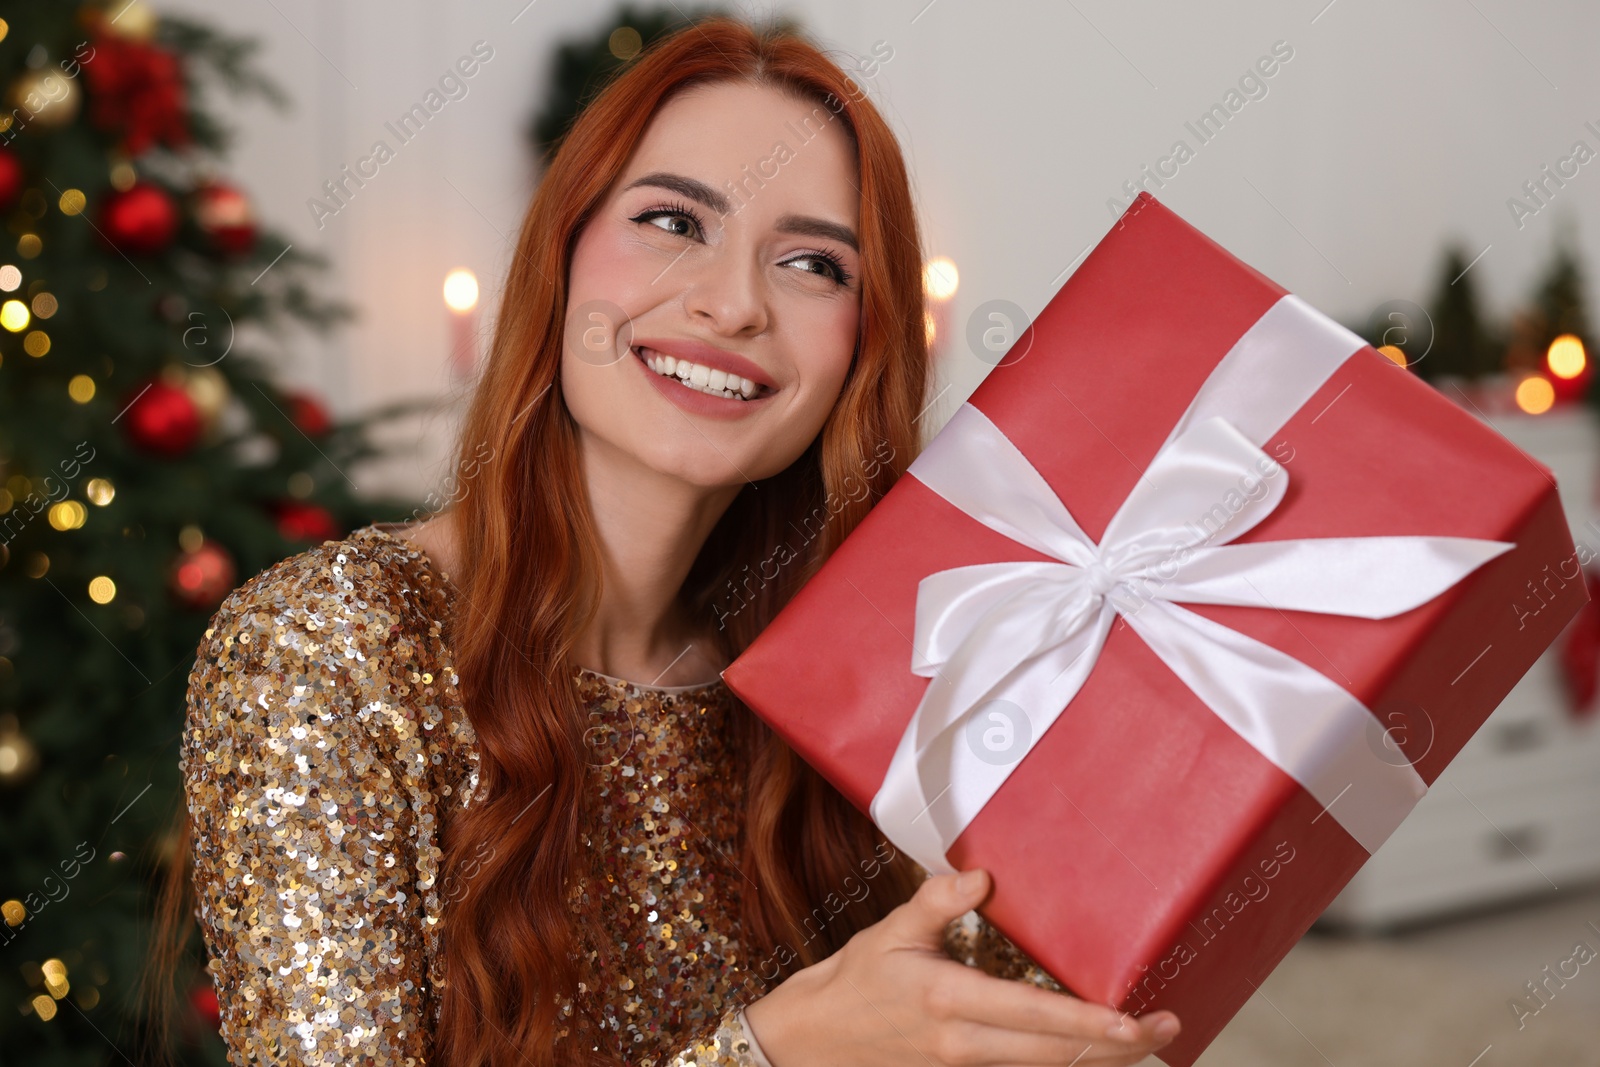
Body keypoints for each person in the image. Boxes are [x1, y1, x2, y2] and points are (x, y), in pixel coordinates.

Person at [171, 15, 1181, 1067]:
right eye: (672, 221)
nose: (733, 302)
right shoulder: (322, 645)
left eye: (812, 264)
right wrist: (773, 1051)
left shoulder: (843, 692)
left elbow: (1019, 985)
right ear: (560, 254)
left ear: (861, 347)